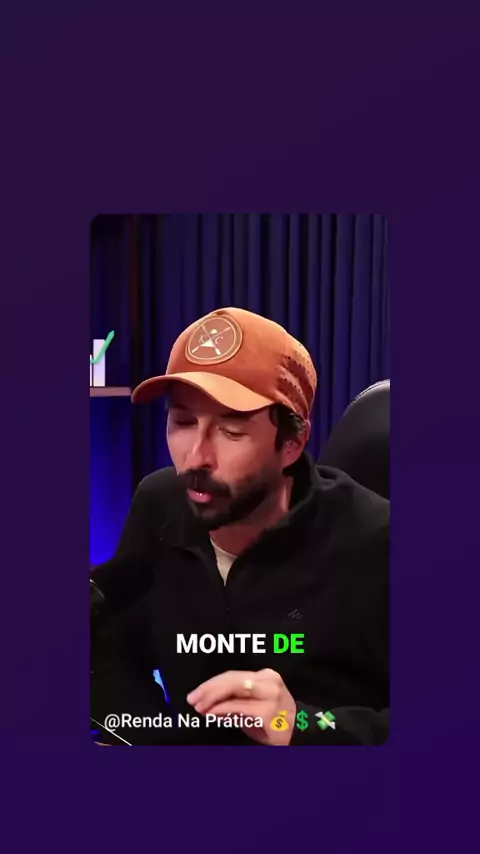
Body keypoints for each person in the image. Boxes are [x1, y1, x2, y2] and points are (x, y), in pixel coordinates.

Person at [90, 307, 390, 746]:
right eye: (183, 423)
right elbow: (116, 651)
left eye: (231, 432)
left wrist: (302, 724)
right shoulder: (159, 502)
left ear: (292, 444)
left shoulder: (377, 540)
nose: (196, 458)